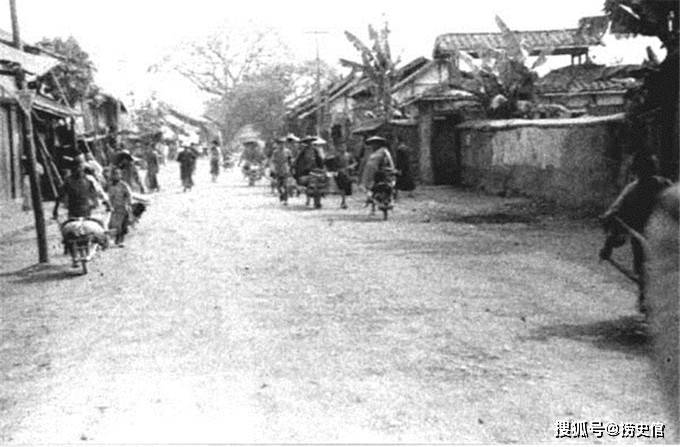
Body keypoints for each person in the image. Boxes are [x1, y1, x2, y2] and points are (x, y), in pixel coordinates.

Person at [599, 152, 673, 313]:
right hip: (644, 239)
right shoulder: (636, 190)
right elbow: (617, 218)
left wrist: (608, 247)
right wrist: (609, 245)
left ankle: (650, 299)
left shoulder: (664, 187)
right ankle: (647, 299)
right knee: (646, 271)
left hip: (664, 239)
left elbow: (615, 217)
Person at [360, 135, 395, 202]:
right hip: (371, 175)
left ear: (379, 144)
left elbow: (389, 162)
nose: (373, 145)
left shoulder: (384, 151)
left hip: (381, 174)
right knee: (371, 189)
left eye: (375, 143)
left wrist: (389, 170)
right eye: (372, 143)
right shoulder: (371, 152)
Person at [106, 167, 132, 247]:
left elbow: (129, 195)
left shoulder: (123, 185)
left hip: (122, 207)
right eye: (114, 174)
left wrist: (128, 204)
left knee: (121, 225)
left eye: (118, 174)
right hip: (112, 208)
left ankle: (120, 240)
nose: (116, 176)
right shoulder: (109, 185)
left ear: (121, 175)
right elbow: (106, 195)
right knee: (113, 225)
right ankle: (113, 240)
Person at [270, 136, 294, 205]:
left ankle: (286, 199)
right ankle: (281, 196)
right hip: (278, 170)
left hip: (285, 169)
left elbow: (290, 160)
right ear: (277, 144)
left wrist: (291, 167)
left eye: (283, 143)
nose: (281, 145)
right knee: (279, 186)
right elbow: (273, 161)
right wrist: (273, 169)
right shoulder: (275, 152)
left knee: (285, 185)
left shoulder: (288, 151)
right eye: (280, 143)